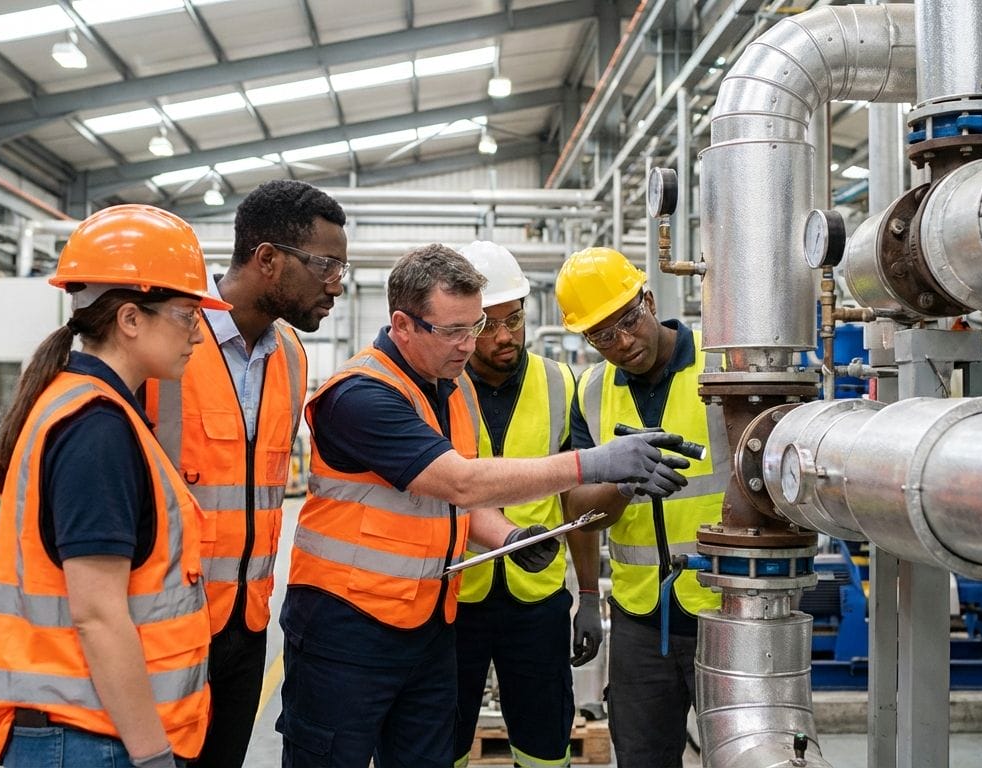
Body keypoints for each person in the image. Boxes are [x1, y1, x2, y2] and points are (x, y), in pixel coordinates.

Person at [276, 244, 691, 767]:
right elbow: (461, 484)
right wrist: (597, 463)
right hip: (349, 627)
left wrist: (509, 540)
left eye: (481, 325)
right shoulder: (363, 396)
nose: (475, 343)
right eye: (457, 331)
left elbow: (452, 505)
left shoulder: (447, 390)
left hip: (426, 619)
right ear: (403, 326)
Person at [0, 205, 227, 768]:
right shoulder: (97, 429)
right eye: (187, 315)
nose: (197, 334)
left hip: (87, 730)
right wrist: (152, 754)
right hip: (92, 738)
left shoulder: (97, 409)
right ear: (131, 319)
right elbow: (97, 614)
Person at [144, 180, 347, 768]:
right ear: (267, 260)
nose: (336, 283)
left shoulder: (290, 353)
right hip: (166, 622)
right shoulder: (167, 342)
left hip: (248, 622)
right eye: (326, 265)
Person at [555, 247, 729, 768]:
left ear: (648, 299)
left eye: (628, 321)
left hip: (728, 606)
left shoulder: (722, 367)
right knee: (642, 757)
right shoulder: (590, 391)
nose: (623, 342)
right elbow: (577, 509)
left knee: (745, 753)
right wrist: (623, 484)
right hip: (639, 618)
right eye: (602, 336)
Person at [450, 241, 598, 768]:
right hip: (454, 597)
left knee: (543, 742)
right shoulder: (438, 384)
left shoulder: (561, 383)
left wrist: (588, 596)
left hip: (536, 599)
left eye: (513, 319)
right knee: (442, 739)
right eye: (487, 325)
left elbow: (575, 497)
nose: (505, 336)